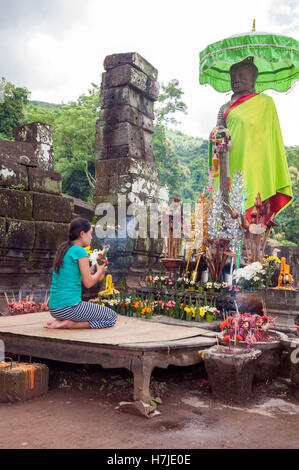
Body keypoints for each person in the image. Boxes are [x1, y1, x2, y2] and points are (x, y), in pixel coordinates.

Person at [215, 59, 293, 222]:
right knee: (230, 206)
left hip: (257, 165)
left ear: (253, 78)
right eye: (233, 76)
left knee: (254, 206)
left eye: (241, 75)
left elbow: (271, 140)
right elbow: (217, 134)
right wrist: (218, 134)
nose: (235, 80)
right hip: (230, 161)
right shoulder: (224, 108)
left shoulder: (265, 103)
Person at [45, 217, 117, 330]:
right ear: (82, 234)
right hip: (69, 307)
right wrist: (100, 271)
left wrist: (92, 270)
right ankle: (72, 324)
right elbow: (88, 283)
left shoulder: (63, 249)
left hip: (54, 309)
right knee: (111, 316)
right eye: (90, 233)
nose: (91, 237)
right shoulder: (80, 251)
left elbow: (73, 277)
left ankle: (64, 320)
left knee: (95, 312)